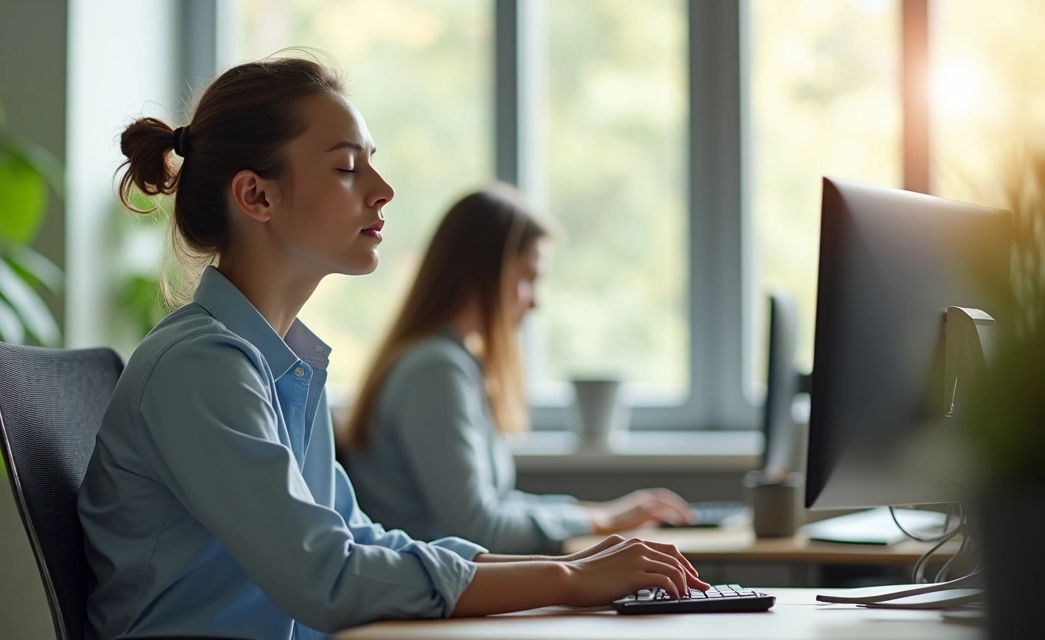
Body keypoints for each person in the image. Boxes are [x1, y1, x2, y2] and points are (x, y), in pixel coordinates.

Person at [78, 57, 708, 640]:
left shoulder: (278, 365)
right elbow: (327, 576)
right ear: (257, 196)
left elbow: (359, 538)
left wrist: (567, 565)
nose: (383, 189)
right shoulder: (200, 367)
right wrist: (567, 578)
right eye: (348, 167)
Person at [340, 184, 697, 556]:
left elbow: (499, 503)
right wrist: (599, 521)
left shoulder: (453, 363)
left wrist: (598, 514)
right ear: (485, 273)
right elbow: (480, 527)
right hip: (425, 601)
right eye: (529, 278)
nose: (535, 301)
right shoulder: (436, 372)